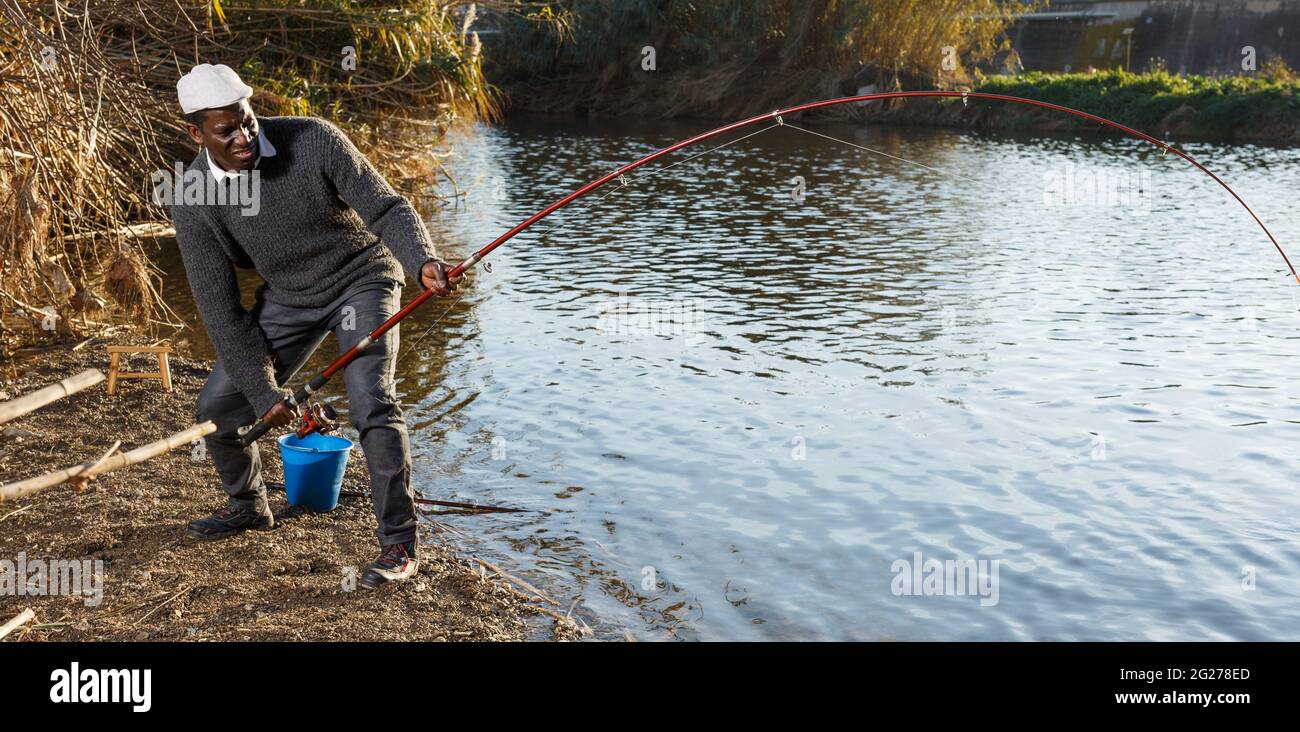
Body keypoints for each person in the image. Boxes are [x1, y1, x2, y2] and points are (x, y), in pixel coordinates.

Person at [166, 63, 460, 589]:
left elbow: (386, 207)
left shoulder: (313, 138)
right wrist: (263, 392)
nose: (244, 137)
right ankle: (248, 505)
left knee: (370, 397)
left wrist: (422, 262)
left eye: (248, 121)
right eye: (225, 130)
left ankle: (398, 542)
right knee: (218, 406)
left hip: (362, 278)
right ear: (195, 133)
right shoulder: (191, 197)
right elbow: (220, 310)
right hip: (290, 296)